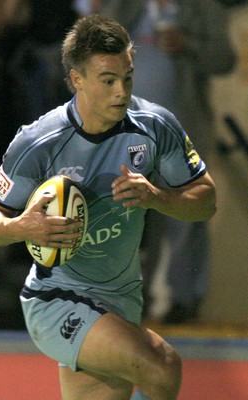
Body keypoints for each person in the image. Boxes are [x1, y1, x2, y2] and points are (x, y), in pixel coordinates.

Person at [0, 14, 217, 400]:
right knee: (162, 365)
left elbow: (205, 201)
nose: (121, 91)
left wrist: (159, 197)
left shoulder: (155, 126)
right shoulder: (40, 142)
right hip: (57, 298)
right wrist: (23, 227)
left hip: (122, 298)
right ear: (76, 80)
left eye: (128, 77)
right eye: (108, 80)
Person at [97, 0, 236, 323]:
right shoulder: (124, 7)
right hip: (126, 132)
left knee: (187, 215)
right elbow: (96, 49)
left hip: (184, 130)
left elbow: (225, 59)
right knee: (129, 215)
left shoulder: (202, 7)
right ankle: (129, 299)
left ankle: (185, 300)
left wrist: (188, 44)